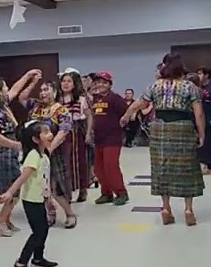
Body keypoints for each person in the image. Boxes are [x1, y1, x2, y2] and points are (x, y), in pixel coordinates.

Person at [124, 53, 205, 226]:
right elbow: (198, 113)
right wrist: (202, 133)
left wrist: (126, 115)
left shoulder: (155, 85)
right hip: (183, 126)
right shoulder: (190, 87)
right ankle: (188, 209)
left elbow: (140, 103)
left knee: (162, 166)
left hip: (160, 127)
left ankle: (166, 207)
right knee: (187, 167)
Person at [0, 71, 40, 235]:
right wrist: (15, 145)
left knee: (13, 188)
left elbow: (15, 89)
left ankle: (6, 219)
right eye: (4, 87)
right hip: (1, 154)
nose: (8, 89)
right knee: (13, 189)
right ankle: (0, 221)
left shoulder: (3, 105)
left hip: (8, 154)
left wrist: (27, 76)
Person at [3, 120, 60, 267]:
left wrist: (49, 199)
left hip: (40, 198)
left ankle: (38, 259)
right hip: (31, 200)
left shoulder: (44, 155)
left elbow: (44, 179)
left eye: (49, 131)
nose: (50, 135)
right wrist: (9, 193)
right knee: (38, 231)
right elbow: (23, 178)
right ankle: (21, 263)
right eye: (46, 132)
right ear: (36, 139)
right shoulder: (33, 157)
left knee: (43, 229)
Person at [17, 79, 77, 227]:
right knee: (41, 185)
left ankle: (70, 214)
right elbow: (22, 98)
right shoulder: (35, 107)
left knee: (57, 187)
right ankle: (50, 212)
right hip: (35, 153)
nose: (43, 93)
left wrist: (50, 148)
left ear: (55, 93)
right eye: (41, 90)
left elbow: (64, 130)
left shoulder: (61, 110)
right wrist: (32, 81)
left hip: (54, 154)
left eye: (46, 90)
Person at [89, 71, 132, 206]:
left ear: (109, 85)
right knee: (99, 168)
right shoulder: (94, 99)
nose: (101, 85)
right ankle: (106, 193)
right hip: (98, 139)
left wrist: (121, 126)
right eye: (98, 82)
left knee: (110, 166)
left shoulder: (115, 99)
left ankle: (121, 193)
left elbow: (126, 114)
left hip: (112, 139)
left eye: (104, 82)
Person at [57, 70, 93, 202]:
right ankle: (67, 191)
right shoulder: (57, 99)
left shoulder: (82, 99)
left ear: (74, 84)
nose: (65, 84)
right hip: (61, 132)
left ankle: (83, 189)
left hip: (77, 131)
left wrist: (88, 133)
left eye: (69, 81)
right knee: (64, 162)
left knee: (80, 162)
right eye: (63, 81)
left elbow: (89, 116)